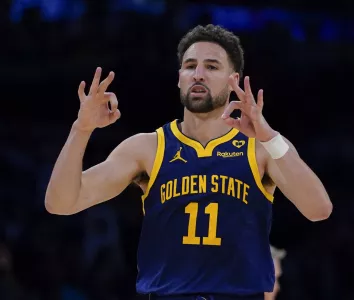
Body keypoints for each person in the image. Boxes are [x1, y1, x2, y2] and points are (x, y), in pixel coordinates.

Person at [45, 24, 332, 300]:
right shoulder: (148, 148)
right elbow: (61, 203)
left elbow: (319, 209)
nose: (198, 74)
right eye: (190, 65)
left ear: (234, 79)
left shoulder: (262, 148)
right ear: (179, 77)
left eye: (211, 66)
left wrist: (270, 136)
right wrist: (80, 130)